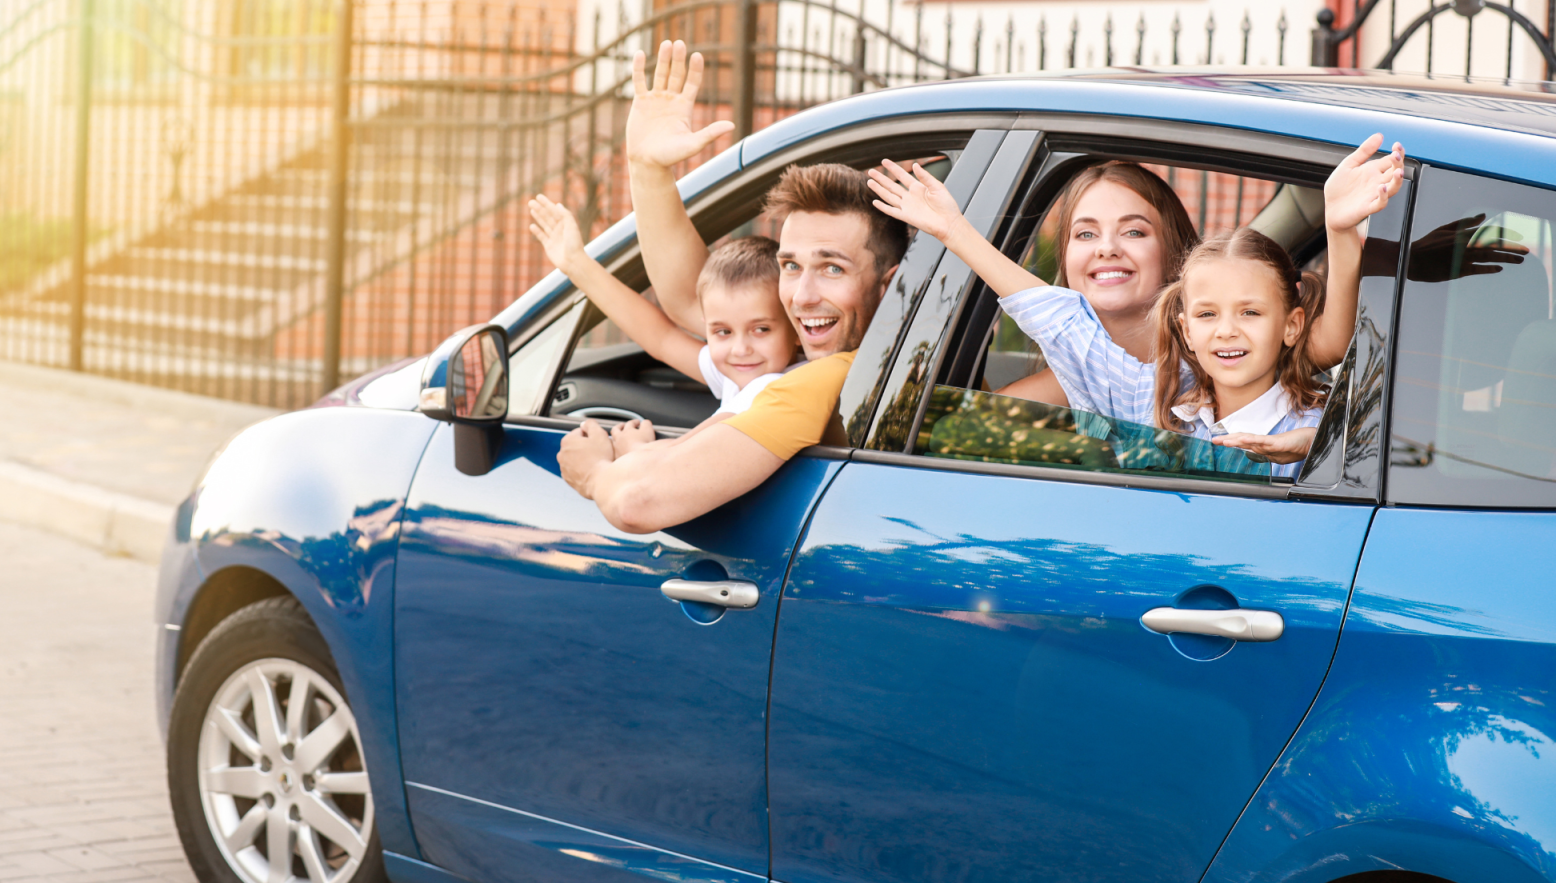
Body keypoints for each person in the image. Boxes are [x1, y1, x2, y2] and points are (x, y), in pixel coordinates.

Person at [867, 133, 1405, 476]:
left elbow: (1335, 349)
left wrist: (1315, 442)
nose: (1227, 331)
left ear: (1289, 326)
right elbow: (1056, 321)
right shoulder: (1144, 397)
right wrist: (953, 230)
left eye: (1250, 312)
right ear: (1184, 324)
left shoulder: (1326, 414)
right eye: (1208, 314)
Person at [556, 41, 907, 533]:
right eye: (790, 266)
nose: (801, 297)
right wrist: (648, 170)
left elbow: (638, 503)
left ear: (889, 286)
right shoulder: (845, 360)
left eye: (832, 269)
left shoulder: (813, 383)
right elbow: (686, 302)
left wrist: (595, 471)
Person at [528, 194, 800, 453]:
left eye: (761, 329)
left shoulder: (774, 387)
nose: (740, 348)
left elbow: (684, 453)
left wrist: (635, 448)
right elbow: (661, 338)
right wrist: (576, 263)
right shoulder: (745, 373)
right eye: (723, 331)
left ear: (797, 327)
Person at [996, 161, 1200, 407]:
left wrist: (954, 231)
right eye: (1086, 234)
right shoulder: (1074, 378)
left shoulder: (1213, 370)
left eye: (1133, 232)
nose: (1107, 248)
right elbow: (961, 426)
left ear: (1174, 255)